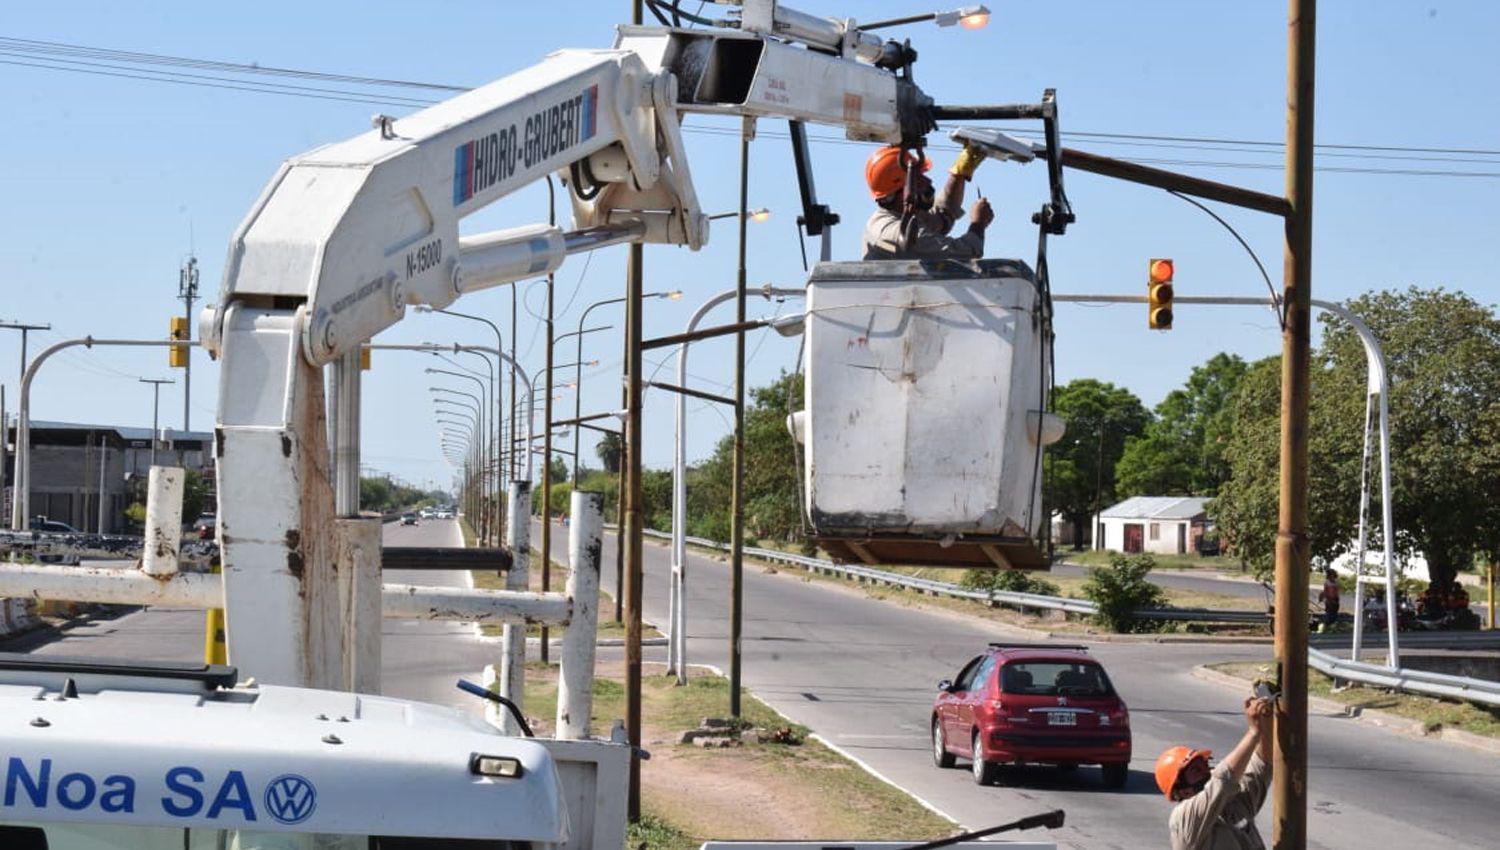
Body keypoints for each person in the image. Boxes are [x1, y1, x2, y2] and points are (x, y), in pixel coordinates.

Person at [1157, 696, 1274, 850]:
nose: (1206, 770)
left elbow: (1262, 764)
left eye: (1204, 764)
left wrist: (1266, 719)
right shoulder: (1183, 818)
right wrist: (1254, 732)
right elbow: (1224, 779)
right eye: (1196, 770)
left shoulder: (1233, 804)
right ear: (1184, 791)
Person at [861, 144, 994, 260]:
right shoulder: (893, 232)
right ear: (901, 193)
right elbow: (963, 253)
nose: (928, 181)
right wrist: (978, 223)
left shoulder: (904, 214)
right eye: (918, 179)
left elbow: (943, 216)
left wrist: (959, 173)